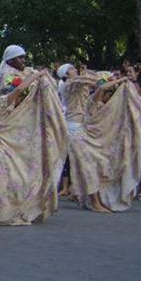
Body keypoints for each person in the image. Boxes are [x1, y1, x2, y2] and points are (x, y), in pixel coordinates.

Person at [0, 70, 68, 225]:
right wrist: (37, 74)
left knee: (5, 177)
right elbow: (19, 90)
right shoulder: (1, 102)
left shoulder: (20, 110)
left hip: (3, 145)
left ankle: (2, 209)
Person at [69, 76, 141, 212]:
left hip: (92, 141)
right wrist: (122, 80)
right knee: (90, 169)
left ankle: (75, 193)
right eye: (110, 94)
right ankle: (95, 203)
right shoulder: (93, 102)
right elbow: (100, 88)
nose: (111, 97)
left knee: (95, 168)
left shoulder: (107, 108)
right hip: (82, 140)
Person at [56, 63, 100, 196]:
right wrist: (87, 73)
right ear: (65, 74)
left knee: (81, 159)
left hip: (82, 123)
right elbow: (91, 79)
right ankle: (75, 189)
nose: (75, 70)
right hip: (73, 124)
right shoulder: (69, 84)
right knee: (80, 158)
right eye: (71, 69)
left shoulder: (79, 83)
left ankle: (75, 189)